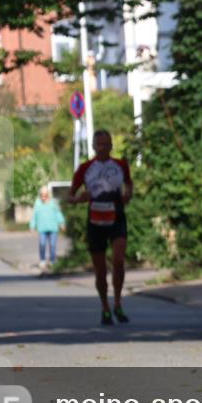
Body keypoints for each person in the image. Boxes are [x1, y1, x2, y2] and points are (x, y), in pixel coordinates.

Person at [67, 130, 133, 326]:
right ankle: (105, 307)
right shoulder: (85, 168)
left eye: (106, 144)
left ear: (111, 145)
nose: (103, 148)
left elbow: (129, 185)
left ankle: (118, 303)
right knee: (100, 270)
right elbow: (70, 196)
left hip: (116, 217)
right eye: (99, 145)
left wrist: (128, 194)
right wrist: (79, 199)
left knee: (119, 261)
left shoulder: (120, 165)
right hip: (95, 220)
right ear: (94, 147)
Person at [28, 185, 65, 273]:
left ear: (48, 195)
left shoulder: (53, 203)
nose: (43, 197)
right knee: (42, 244)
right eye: (42, 195)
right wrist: (32, 226)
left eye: (45, 195)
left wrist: (62, 223)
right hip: (42, 228)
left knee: (52, 245)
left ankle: (52, 260)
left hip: (53, 227)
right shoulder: (38, 203)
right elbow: (34, 216)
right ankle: (42, 260)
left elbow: (58, 213)